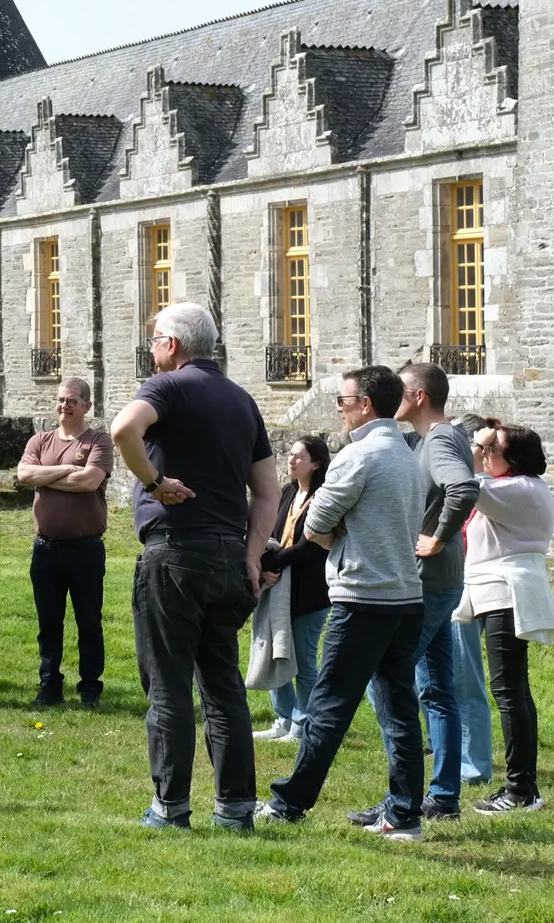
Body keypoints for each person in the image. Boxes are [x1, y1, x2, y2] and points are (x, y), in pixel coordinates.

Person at [110, 302, 277, 832]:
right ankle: (235, 809)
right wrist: (252, 554)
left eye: (154, 339)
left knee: (169, 685)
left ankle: (170, 807)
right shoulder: (242, 400)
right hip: (229, 557)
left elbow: (123, 429)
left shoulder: (167, 388)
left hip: (176, 552)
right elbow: (267, 490)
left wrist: (156, 483)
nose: (151, 348)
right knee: (223, 688)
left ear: (173, 345)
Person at [257, 364, 429, 841]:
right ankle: (404, 813)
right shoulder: (408, 455)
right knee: (399, 708)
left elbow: (314, 525)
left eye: (343, 400)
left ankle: (289, 804)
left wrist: (341, 536)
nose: (339, 408)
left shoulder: (358, 456)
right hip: (406, 598)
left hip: (363, 598)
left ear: (365, 405)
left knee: (329, 706)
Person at [351, 362, 479, 824]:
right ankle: (443, 797)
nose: (394, 397)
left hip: (429, 581)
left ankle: (401, 798)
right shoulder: (434, 438)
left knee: (385, 681)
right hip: (440, 581)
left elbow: (463, 489)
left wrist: (439, 537)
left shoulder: (440, 440)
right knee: (437, 690)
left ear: (419, 396)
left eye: (401, 390)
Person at [458, 422, 554, 815]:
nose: (485, 455)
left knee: (509, 693)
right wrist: (488, 445)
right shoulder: (521, 488)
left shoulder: (517, 489)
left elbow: (464, 483)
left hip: (505, 595)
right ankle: (523, 785)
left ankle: (521, 790)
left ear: (514, 458)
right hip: (503, 594)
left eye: (493, 449)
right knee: (515, 692)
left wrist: (476, 442)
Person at [14, 378, 114, 707]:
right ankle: (49, 684)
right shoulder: (40, 440)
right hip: (45, 548)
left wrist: (46, 477)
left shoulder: (98, 440)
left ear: (86, 405)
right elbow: (23, 475)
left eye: (71, 401)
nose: (64, 406)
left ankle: (90, 688)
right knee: (48, 622)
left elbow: (89, 482)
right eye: (60, 400)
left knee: (89, 621)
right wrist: (68, 468)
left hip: (85, 549)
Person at [253, 434, 333, 743]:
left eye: (300, 456)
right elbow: (271, 533)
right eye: (290, 454)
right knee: (276, 653)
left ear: (315, 464)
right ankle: (283, 719)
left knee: (302, 657)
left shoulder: (323, 497)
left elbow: (311, 545)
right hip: (279, 588)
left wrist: (272, 562)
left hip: (310, 591)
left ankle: (304, 724)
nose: (291, 459)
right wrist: (264, 564)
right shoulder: (287, 492)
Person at [450, 412, 499, 786]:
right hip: (450, 584)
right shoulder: (462, 486)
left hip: (469, 588)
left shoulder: (487, 490)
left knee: (465, 677)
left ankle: (474, 763)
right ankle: (447, 747)